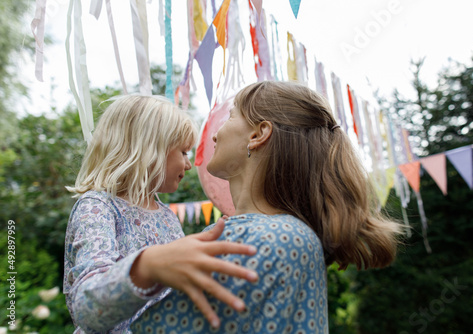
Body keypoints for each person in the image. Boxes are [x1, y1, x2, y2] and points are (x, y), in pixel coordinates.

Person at [131, 81, 403, 333]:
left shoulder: (270, 238)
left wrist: (139, 269)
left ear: (258, 134)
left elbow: (140, 327)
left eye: (230, 116)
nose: (215, 134)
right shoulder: (255, 232)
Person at [63, 95, 260, 334]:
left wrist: (214, 237)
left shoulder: (165, 214)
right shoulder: (97, 207)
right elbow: (87, 307)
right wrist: (146, 267)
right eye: (184, 152)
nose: (188, 165)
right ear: (149, 149)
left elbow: (172, 281)